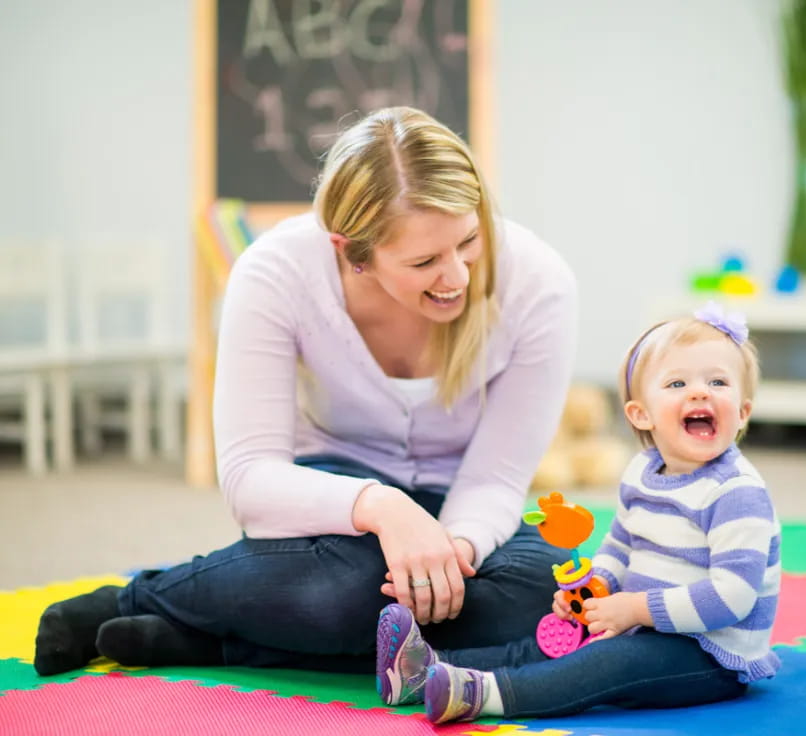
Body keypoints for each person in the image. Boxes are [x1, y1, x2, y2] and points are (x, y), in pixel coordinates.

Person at [33, 106, 578, 676]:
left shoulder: (540, 283)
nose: (458, 276)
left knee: (548, 599)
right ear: (351, 253)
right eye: (425, 261)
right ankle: (137, 598)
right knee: (350, 586)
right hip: (333, 498)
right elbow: (249, 478)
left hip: (464, 502)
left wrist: (454, 554)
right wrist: (381, 507)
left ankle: (213, 642)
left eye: (468, 240)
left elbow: (495, 479)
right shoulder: (274, 272)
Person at [375, 302, 782, 723]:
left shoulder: (736, 493)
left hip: (709, 655)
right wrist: (598, 587)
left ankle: (484, 694)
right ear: (640, 415)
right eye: (677, 383)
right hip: (642, 624)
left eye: (718, 381)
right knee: (556, 639)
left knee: (605, 664)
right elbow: (621, 543)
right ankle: (427, 668)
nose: (701, 392)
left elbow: (732, 596)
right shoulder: (643, 471)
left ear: (743, 412)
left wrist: (635, 609)